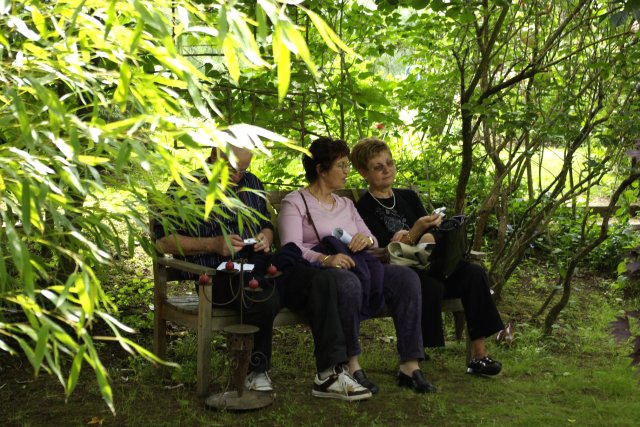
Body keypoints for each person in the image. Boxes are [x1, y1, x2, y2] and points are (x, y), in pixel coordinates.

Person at [155, 145, 371, 401]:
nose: (238, 175)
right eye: (232, 168)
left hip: (261, 265)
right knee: (260, 292)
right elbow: (163, 241)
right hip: (217, 276)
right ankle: (256, 371)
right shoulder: (185, 186)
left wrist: (265, 239)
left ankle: (329, 374)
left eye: (243, 169)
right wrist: (213, 244)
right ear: (214, 154)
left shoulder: (252, 183)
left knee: (323, 281)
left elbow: (266, 226)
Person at [278, 136, 437, 394]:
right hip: (324, 272)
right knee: (348, 283)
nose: (346, 171)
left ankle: (410, 364)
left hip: (362, 264)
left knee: (406, 278)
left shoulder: (346, 204)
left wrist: (366, 238)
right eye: (341, 165)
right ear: (320, 169)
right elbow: (291, 248)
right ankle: (352, 364)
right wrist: (326, 259)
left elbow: (372, 241)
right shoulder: (295, 202)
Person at [351, 137, 504, 376]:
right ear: (363, 172)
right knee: (428, 284)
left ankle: (479, 355)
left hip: (432, 262)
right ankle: (416, 357)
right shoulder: (363, 208)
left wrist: (425, 231)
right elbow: (385, 252)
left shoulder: (407, 197)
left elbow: (430, 236)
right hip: (403, 273)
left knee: (474, 273)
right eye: (377, 167)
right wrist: (415, 232)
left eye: (389, 163)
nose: (386, 170)